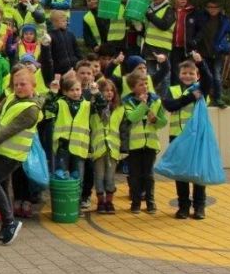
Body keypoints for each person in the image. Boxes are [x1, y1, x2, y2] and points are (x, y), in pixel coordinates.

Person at [0, 65, 42, 245]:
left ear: (33, 85)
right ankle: (7, 224)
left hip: (13, 153)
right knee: (2, 185)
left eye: (23, 84)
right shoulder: (12, 96)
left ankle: (10, 223)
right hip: (2, 150)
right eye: (16, 84)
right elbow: (0, 111)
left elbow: (11, 130)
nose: (19, 87)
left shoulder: (31, 110)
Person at [161, 52, 212, 219]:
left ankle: (199, 207)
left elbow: (209, 81)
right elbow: (170, 105)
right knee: (181, 173)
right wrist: (190, 97)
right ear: (179, 74)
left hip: (196, 137)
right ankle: (183, 206)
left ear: (197, 76)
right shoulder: (173, 89)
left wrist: (201, 63)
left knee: (197, 172)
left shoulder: (202, 89)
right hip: (177, 137)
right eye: (184, 73)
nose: (188, 76)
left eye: (192, 73)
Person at [123, 70, 167, 214]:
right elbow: (132, 118)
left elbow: (163, 122)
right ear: (133, 88)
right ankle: (135, 203)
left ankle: (150, 202)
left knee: (148, 175)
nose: (145, 87)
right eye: (141, 84)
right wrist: (142, 105)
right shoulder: (127, 102)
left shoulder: (156, 100)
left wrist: (156, 120)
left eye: (146, 84)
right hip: (134, 145)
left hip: (150, 144)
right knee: (135, 175)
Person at [193, 0, 230, 108]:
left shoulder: (225, 21)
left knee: (216, 76)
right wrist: (193, 43)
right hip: (202, 53)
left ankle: (218, 98)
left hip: (217, 53)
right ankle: (203, 98)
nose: (212, 10)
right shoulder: (200, 18)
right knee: (204, 76)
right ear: (206, 8)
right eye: (210, 7)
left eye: (215, 7)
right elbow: (192, 30)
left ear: (219, 9)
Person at [90, 79, 123, 214]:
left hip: (113, 148)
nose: (109, 93)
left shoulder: (119, 108)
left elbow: (123, 128)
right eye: (106, 90)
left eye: (111, 91)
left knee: (110, 177)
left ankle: (109, 201)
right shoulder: (93, 108)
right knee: (99, 176)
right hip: (98, 148)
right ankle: (100, 201)